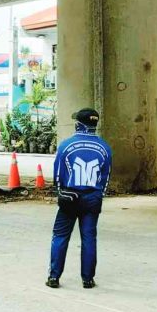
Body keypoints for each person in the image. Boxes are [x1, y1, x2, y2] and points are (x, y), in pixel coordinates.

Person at [46, 108, 112, 289]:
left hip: (70, 197)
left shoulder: (66, 146)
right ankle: (88, 279)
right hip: (92, 198)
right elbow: (105, 177)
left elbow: (58, 174)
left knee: (60, 236)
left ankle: (54, 277)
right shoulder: (105, 148)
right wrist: (99, 195)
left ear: (79, 124)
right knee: (89, 238)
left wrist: (60, 193)